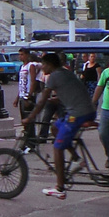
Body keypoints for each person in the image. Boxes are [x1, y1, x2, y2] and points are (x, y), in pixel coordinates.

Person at [25, 51, 96, 200]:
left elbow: (42, 100)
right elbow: (68, 93)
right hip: (83, 110)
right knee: (55, 127)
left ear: (50, 65)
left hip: (78, 114)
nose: (42, 67)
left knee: (57, 147)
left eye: (43, 64)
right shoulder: (65, 73)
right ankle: (76, 158)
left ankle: (60, 188)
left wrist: (30, 117)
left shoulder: (54, 76)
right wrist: (55, 100)